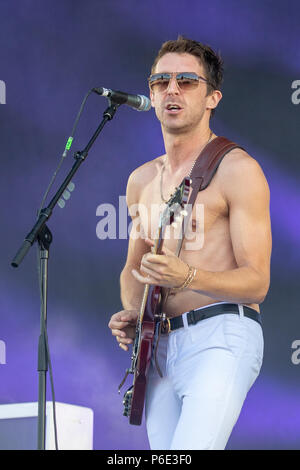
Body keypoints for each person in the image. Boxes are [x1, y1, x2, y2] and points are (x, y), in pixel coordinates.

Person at [108, 36, 272, 450]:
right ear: (150, 92)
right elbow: (133, 267)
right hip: (159, 345)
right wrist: (133, 310)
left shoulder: (238, 169)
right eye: (161, 81)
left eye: (186, 81)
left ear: (212, 96)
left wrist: (189, 276)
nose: (172, 90)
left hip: (221, 334)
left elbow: (257, 282)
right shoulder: (141, 180)